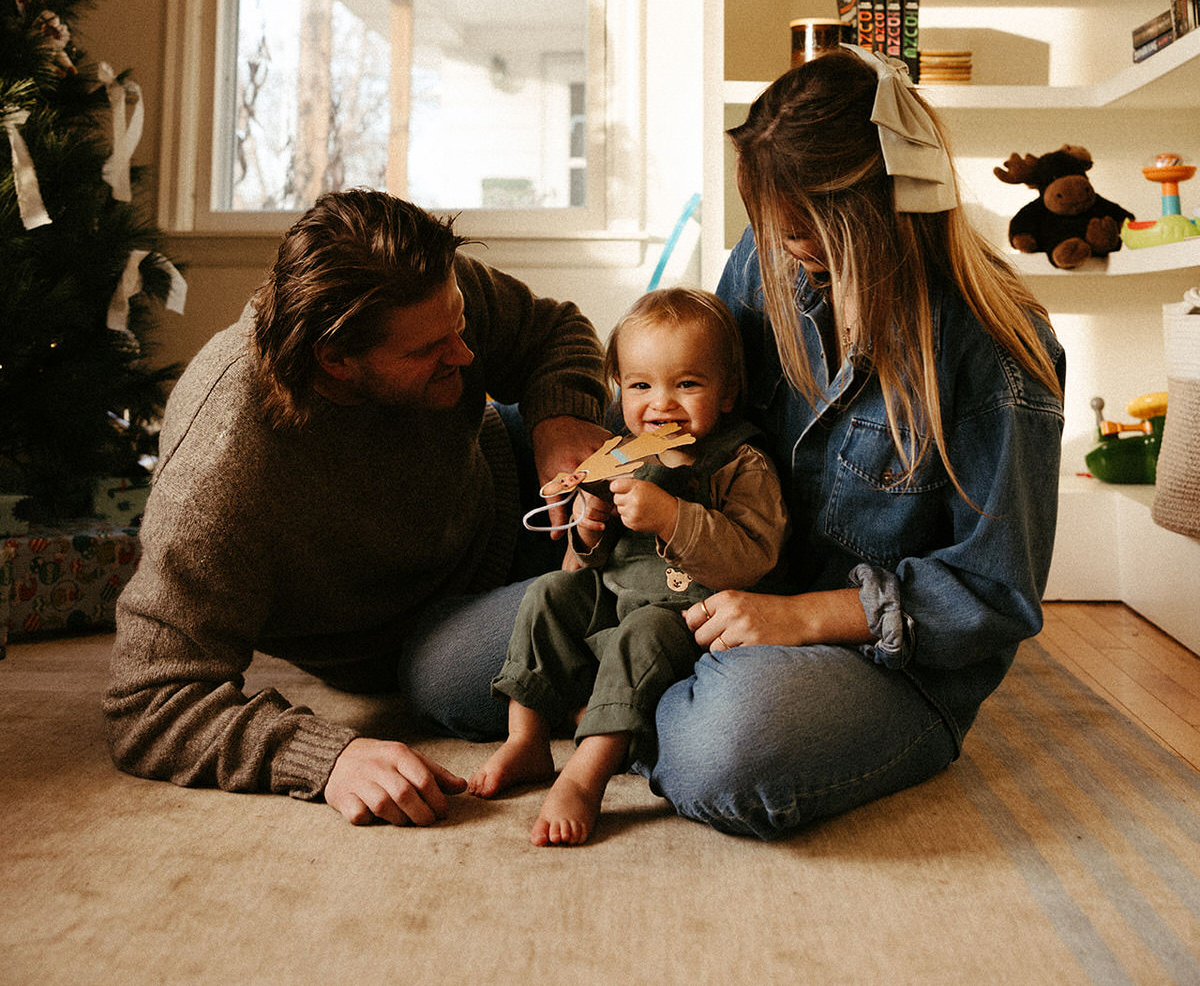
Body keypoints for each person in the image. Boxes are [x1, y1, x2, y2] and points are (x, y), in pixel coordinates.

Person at [642, 46, 1066, 839]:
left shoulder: (997, 351)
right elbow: (702, 417)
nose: (777, 243)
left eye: (800, 229)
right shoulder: (770, 258)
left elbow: (996, 593)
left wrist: (801, 619)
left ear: (872, 215)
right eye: (771, 223)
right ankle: (641, 692)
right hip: (730, 588)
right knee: (456, 677)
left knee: (724, 755)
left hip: (893, 662)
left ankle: (629, 704)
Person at [104, 188, 611, 826]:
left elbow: (552, 328)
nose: (464, 353)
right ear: (338, 360)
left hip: (515, 484)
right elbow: (149, 703)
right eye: (430, 350)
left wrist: (561, 418)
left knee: (677, 420)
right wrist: (325, 758)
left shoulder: (426, 295)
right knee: (458, 674)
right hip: (420, 634)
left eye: (458, 325)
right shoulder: (223, 465)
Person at [468, 286, 788, 845]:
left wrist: (670, 516)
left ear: (729, 392)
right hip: (616, 596)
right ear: (619, 388)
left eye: (687, 384)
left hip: (689, 620)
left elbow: (753, 557)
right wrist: (591, 526)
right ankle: (526, 737)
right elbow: (593, 558)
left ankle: (589, 770)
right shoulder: (625, 452)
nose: (660, 403)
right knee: (547, 593)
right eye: (641, 386)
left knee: (642, 633)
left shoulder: (740, 462)